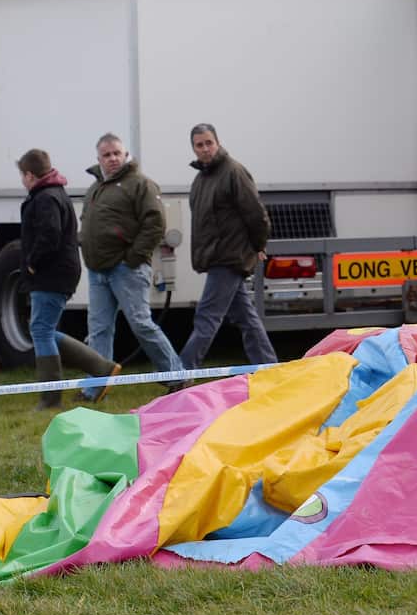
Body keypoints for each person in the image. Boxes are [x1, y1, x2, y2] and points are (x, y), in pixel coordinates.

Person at [79, 133, 185, 398]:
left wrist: (133, 258)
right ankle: (95, 388)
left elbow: (155, 223)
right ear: (98, 159)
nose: (112, 158)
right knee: (98, 330)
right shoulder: (95, 188)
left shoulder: (140, 184)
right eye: (107, 155)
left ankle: (177, 375)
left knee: (141, 324)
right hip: (98, 271)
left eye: (117, 153)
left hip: (126, 270)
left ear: (125, 155)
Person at [17, 149, 122, 409]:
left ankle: (50, 398)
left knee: (41, 330)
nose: (22, 180)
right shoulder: (53, 193)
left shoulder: (45, 198)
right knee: (44, 329)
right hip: (59, 273)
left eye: (22, 175)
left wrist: (32, 263)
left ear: (30, 175)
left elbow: (49, 235)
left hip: (51, 274)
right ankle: (102, 367)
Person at [179, 124, 278, 369]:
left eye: (209, 143)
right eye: (199, 145)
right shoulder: (201, 179)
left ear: (218, 143)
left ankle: (180, 373)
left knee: (206, 318)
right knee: (247, 318)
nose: (205, 149)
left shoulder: (233, 172)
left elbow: (256, 214)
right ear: (193, 148)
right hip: (216, 258)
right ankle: (270, 369)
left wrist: (258, 245)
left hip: (229, 257)